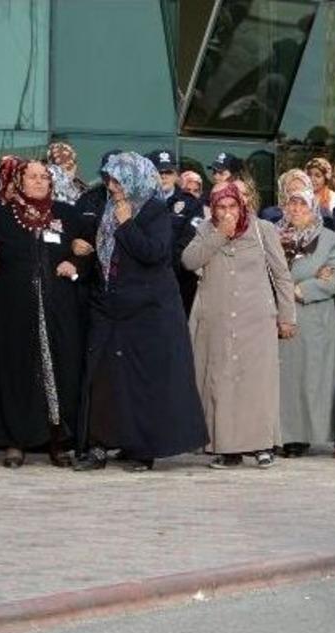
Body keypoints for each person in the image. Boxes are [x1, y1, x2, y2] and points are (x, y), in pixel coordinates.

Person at [74, 152, 207, 472]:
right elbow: (107, 257)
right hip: (110, 306)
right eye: (109, 179)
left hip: (148, 310)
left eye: (118, 180)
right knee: (103, 376)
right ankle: (99, 444)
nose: (112, 186)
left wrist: (127, 224)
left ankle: (142, 449)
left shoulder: (154, 210)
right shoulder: (109, 208)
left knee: (142, 380)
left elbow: (154, 253)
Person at [0, 160, 87, 468]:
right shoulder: (2, 217)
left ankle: (58, 441)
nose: (39, 181)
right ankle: (14, 442)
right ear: (19, 182)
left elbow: (87, 252)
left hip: (57, 309)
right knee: (14, 369)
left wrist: (76, 262)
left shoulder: (67, 214)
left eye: (44, 177)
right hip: (14, 309)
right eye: (32, 176)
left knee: (60, 370)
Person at [182, 184, 297, 469]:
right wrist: (220, 234)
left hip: (256, 318)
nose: (228, 212)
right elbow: (189, 260)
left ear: (242, 206)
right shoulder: (206, 230)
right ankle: (227, 448)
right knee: (221, 383)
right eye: (221, 207)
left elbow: (281, 276)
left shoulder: (262, 230)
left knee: (257, 383)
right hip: (218, 320)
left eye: (232, 206)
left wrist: (287, 316)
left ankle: (262, 445)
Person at [277, 187, 335, 458]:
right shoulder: (274, 235)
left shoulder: (327, 238)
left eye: (302, 206)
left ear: (313, 209)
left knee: (308, 378)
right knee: (283, 379)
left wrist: (302, 289)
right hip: (280, 316)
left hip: (312, 317)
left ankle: (302, 436)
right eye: (292, 205)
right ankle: (280, 433)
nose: (296, 210)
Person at [148, 150, 205, 316]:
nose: (164, 176)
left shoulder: (190, 203)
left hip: (178, 279)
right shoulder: (140, 202)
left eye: (168, 172)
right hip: (147, 278)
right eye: (160, 172)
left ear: (176, 175)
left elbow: (189, 239)